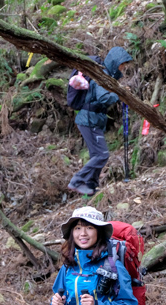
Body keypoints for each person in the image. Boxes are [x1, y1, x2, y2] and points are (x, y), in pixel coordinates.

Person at [67, 47, 133, 196]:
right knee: (102, 155)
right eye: (122, 65)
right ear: (115, 63)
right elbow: (103, 97)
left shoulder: (106, 76)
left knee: (96, 154)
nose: (123, 69)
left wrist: (120, 92)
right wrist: (120, 96)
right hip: (88, 119)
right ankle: (76, 181)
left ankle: (91, 185)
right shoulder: (102, 75)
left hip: (93, 119)